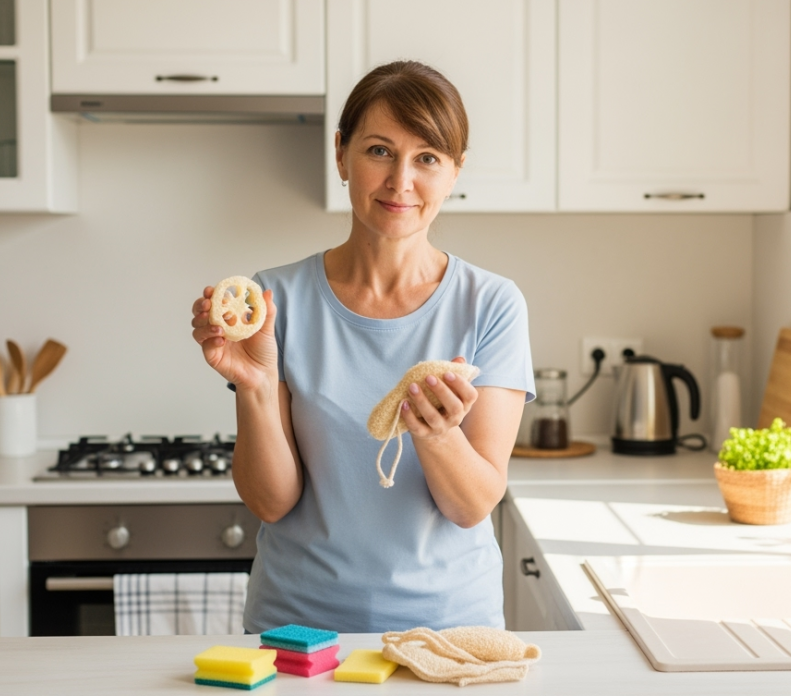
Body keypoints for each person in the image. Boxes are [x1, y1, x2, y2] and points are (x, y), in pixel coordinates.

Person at [189, 60, 534, 633]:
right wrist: (254, 386)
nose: (401, 180)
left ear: (455, 172)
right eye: (379, 151)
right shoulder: (275, 299)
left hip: (445, 633)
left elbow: (472, 506)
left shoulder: (492, 304)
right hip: (298, 631)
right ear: (341, 154)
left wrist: (437, 434)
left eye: (427, 158)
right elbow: (271, 503)